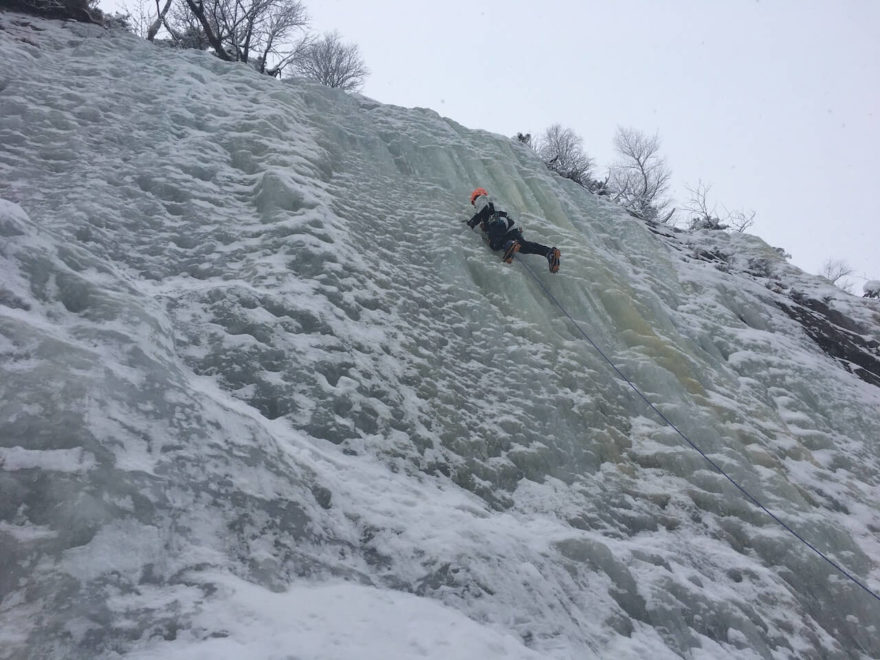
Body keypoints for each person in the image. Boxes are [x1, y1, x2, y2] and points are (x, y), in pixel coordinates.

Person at [465, 187, 561, 273]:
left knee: (494, 244)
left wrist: (470, 224)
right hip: (510, 226)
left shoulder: (482, 198)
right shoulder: (497, 203)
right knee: (524, 247)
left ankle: (509, 245)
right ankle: (549, 252)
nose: (475, 206)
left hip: (497, 222)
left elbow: (483, 209)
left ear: (475, 198)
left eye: (474, 203)